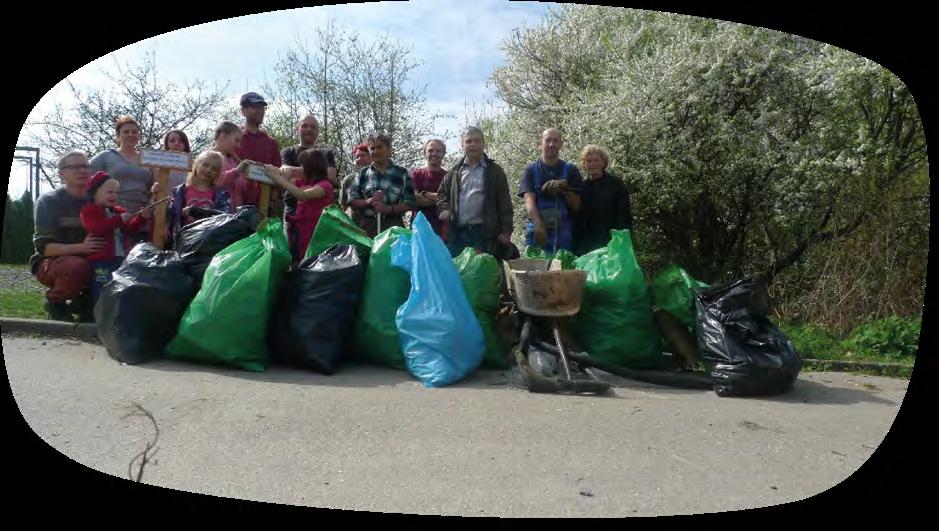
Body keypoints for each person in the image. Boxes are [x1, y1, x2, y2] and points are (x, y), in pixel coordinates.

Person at [30, 151, 102, 322]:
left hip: (91, 259)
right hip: (53, 262)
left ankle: (84, 303)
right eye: (75, 167)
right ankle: (55, 302)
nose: (82, 170)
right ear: (61, 173)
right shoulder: (49, 201)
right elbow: (45, 248)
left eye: (85, 166)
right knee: (77, 266)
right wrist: (81, 247)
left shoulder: (97, 200)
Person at [437, 126, 516, 260]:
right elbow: (442, 194)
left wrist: (506, 231)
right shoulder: (454, 171)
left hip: (483, 235)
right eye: (468, 141)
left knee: (480, 275)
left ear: (483, 144)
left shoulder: (495, 171)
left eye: (477, 141)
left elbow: (505, 204)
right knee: (456, 274)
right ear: (462, 145)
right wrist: (444, 209)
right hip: (457, 234)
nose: (472, 145)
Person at [79, 171, 151, 302]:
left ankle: (114, 310)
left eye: (115, 192)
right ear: (94, 192)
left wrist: (141, 218)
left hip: (120, 257)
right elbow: (96, 228)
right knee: (102, 284)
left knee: (119, 284)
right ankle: (98, 310)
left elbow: (129, 230)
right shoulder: (89, 210)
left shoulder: (118, 211)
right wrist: (118, 220)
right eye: (109, 192)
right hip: (101, 259)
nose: (113, 195)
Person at [261, 149, 335, 263]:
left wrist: (278, 178)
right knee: (298, 260)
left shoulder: (325, 186)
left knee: (313, 261)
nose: (299, 168)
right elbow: (287, 177)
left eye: (302, 166)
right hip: (301, 233)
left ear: (311, 168)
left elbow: (301, 195)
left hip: (316, 234)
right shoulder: (303, 183)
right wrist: (273, 170)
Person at [89, 115, 154, 244]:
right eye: (126, 132)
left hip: (142, 218)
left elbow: (154, 187)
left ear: (139, 135)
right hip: (113, 218)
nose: (131, 135)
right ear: (118, 135)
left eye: (134, 132)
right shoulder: (107, 156)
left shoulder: (148, 158)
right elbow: (85, 175)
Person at [518, 128, 583, 253]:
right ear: (540, 143)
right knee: (535, 269)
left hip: (564, 232)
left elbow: (576, 206)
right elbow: (529, 200)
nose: (551, 144)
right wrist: (538, 224)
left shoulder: (571, 170)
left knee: (563, 269)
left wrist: (565, 189)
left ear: (561, 144)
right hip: (538, 228)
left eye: (555, 141)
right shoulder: (531, 170)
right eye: (547, 140)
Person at [347, 131, 415, 238]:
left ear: (389, 150)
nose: (375, 151)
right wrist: (369, 201)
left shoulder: (402, 173)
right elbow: (351, 201)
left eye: (379, 147)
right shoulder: (362, 174)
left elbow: (410, 202)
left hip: (393, 227)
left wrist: (388, 209)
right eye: (372, 148)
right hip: (367, 228)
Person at [572, 145, 633, 255]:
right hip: (588, 243)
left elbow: (624, 215)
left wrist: (620, 241)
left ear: (603, 162)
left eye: (596, 160)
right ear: (584, 164)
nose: (592, 164)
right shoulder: (581, 188)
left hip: (610, 240)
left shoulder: (616, 185)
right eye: (588, 161)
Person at [165, 150, 232, 247]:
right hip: (183, 240)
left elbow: (222, 216)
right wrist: (166, 225)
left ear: (218, 173)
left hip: (206, 241)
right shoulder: (181, 191)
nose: (209, 170)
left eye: (214, 169)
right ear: (196, 165)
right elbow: (173, 212)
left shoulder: (221, 195)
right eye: (205, 165)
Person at [280, 114, 338, 223]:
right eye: (304, 126)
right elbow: (284, 172)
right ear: (298, 128)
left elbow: (330, 175)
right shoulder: (287, 152)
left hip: (321, 210)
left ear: (317, 131)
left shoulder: (326, 153)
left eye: (313, 127)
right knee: (292, 240)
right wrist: (319, 172)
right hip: (293, 208)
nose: (309, 129)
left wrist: (295, 173)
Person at [236, 92, 283, 217]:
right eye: (254, 107)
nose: (260, 111)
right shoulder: (234, 139)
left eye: (262, 107)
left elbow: (278, 173)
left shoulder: (271, 143)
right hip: (236, 207)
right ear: (243, 111)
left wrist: (273, 198)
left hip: (264, 207)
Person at [410, 139, 448, 238]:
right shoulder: (416, 174)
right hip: (419, 228)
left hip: (443, 230)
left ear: (443, 154)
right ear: (425, 153)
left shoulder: (449, 176)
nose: (434, 153)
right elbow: (415, 199)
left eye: (438, 151)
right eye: (431, 150)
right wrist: (441, 199)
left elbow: (451, 200)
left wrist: (425, 193)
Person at [341, 143, 371, 215]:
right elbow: (343, 205)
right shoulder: (348, 180)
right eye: (357, 157)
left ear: (371, 156)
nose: (359, 159)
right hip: (354, 222)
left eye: (363, 155)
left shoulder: (380, 176)